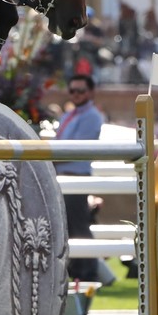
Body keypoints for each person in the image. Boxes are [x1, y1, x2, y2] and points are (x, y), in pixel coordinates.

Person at [55, 74, 104, 283]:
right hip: (62, 175)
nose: (76, 94)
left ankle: (88, 273)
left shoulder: (91, 116)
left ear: (91, 92)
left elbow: (73, 149)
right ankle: (78, 272)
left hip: (75, 175)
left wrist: (47, 156)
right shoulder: (69, 115)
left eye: (80, 91)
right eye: (72, 91)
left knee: (77, 226)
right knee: (68, 226)